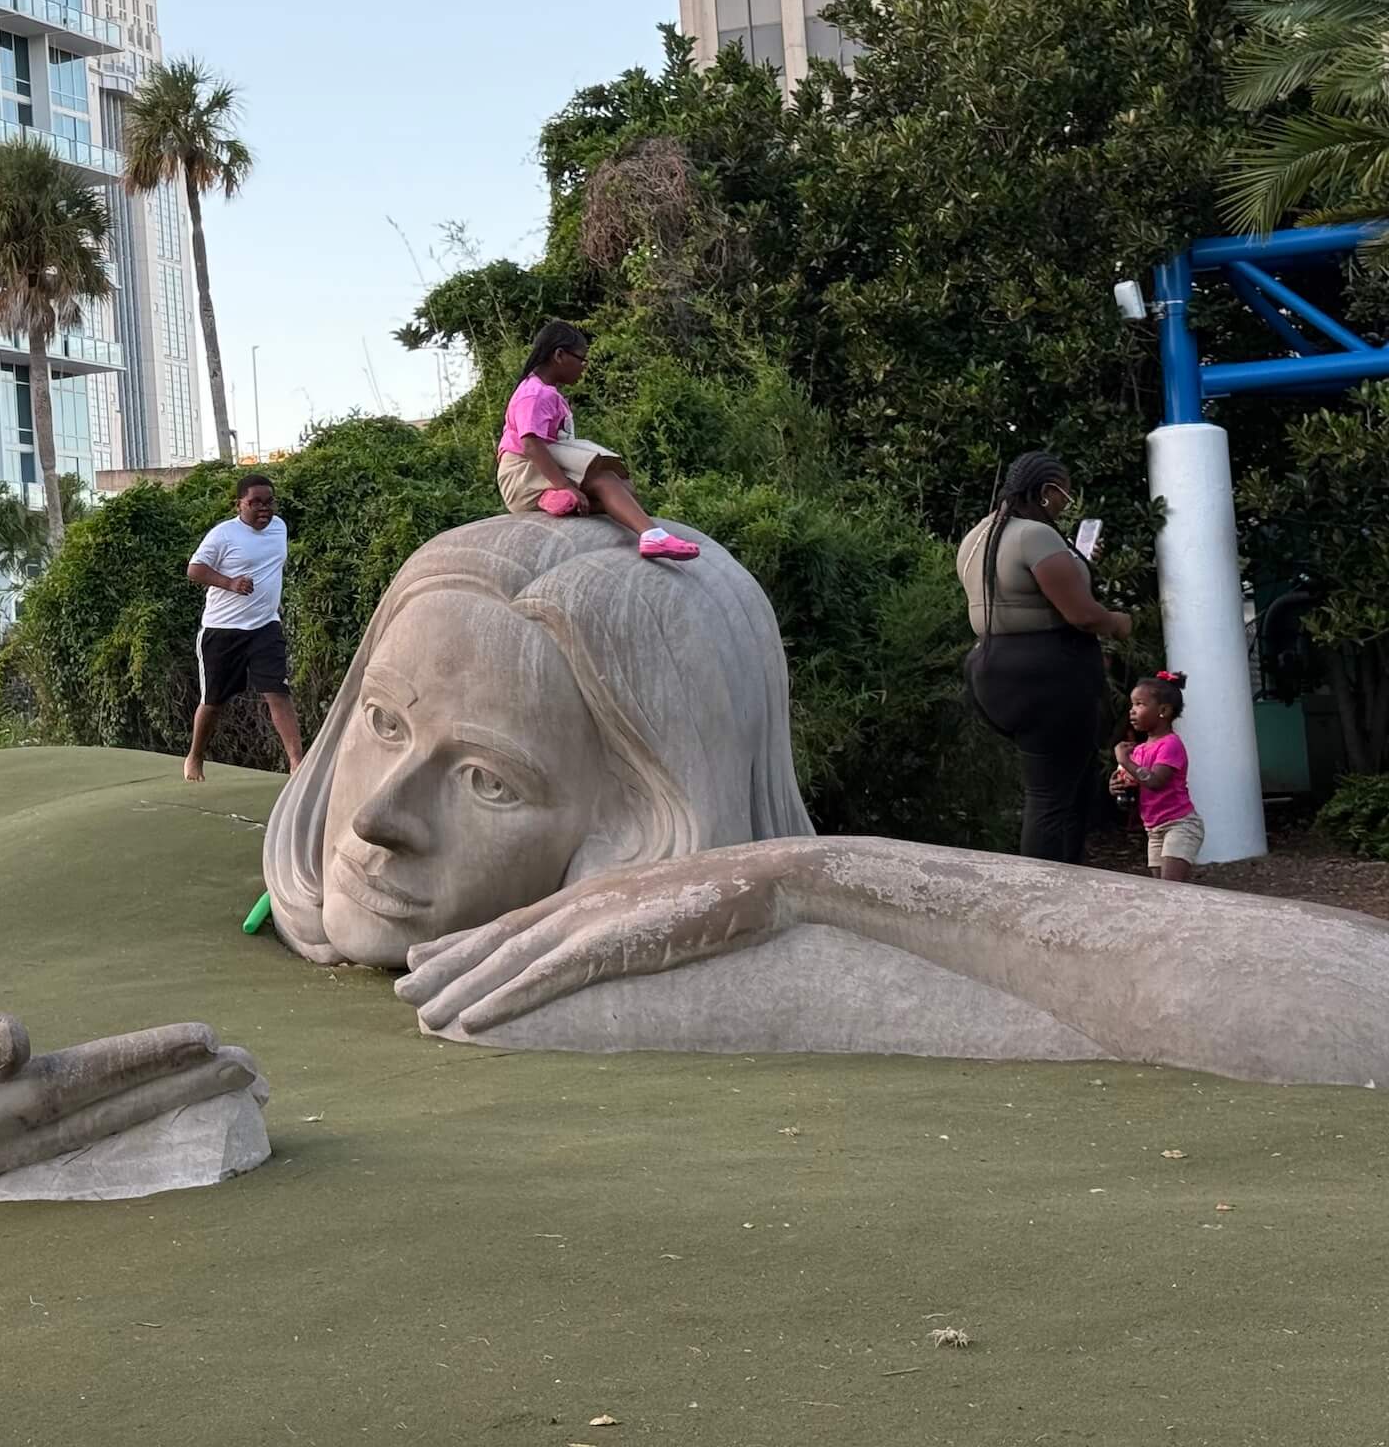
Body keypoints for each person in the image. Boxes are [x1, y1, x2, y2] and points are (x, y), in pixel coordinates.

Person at [257, 513, 1389, 1089]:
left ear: (645, 824)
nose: (374, 820)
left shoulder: (591, 972)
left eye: (486, 779)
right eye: (386, 725)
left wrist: (800, 883)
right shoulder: (531, 980)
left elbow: (1354, 1013)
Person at [956, 451, 1132, 863]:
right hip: (1047, 675)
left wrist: (1080, 562)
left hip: (991, 669)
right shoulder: (1035, 535)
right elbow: (1082, 615)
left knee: (1063, 787)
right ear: (1047, 492)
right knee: (1052, 799)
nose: (1066, 504)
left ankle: (1067, 884)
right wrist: (1121, 622)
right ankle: (1047, 896)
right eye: (1065, 496)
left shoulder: (979, 535)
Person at [496, 321, 699, 561]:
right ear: (559, 355)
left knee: (627, 490)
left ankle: (561, 503)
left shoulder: (551, 394)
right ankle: (652, 535)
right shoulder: (534, 393)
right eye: (581, 359)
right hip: (522, 473)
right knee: (604, 481)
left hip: (538, 469)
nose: (584, 367)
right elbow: (531, 444)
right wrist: (564, 484)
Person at [184, 473, 302, 782]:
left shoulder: (279, 528)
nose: (264, 509)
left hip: (265, 626)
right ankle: (195, 757)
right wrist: (230, 583)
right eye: (255, 503)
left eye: (269, 502)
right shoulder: (223, 535)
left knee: (278, 692)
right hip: (222, 631)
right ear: (240, 504)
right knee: (213, 702)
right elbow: (194, 570)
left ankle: (297, 763)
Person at [1112, 672, 1200, 882]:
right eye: (1132, 704)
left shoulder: (1170, 744)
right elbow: (1136, 780)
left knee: (1170, 888)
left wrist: (1126, 762)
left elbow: (1155, 782)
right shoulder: (1140, 749)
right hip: (1153, 829)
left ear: (1163, 710)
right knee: (1160, 891)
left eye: (1140, 704)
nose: (1132, 711)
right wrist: (1116, 784)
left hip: (1179, 825)